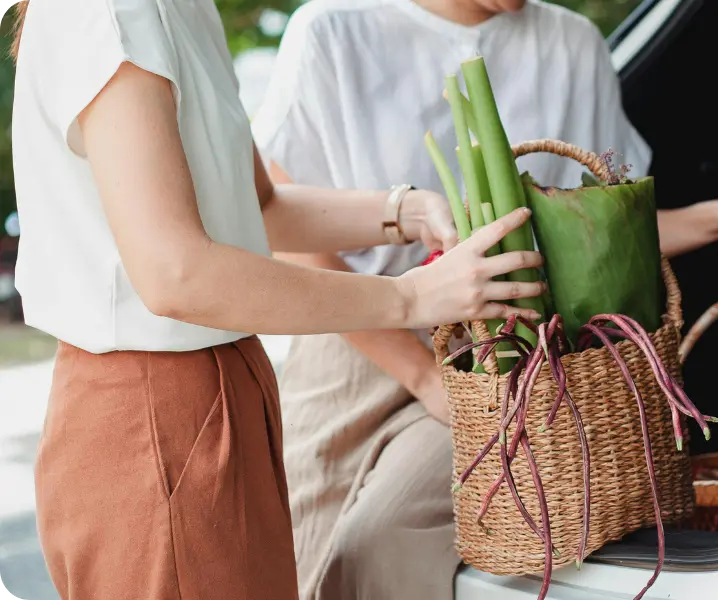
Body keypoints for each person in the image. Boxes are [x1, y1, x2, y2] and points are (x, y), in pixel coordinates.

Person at [251, 0, 718, 598]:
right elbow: (290, 235)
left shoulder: (572, 43)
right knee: (298, 559)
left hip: (513, 363)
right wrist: (420, 374)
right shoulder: (333, 30)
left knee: (379, 546)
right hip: (353, 347)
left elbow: (601, 232)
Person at [8, 1, 549, 599]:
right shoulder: (108, 11)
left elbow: (257, 208)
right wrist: (409, 296)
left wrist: (405, 211)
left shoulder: (185, 9)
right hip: (151, 414)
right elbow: (175, 273)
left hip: (224, 391)